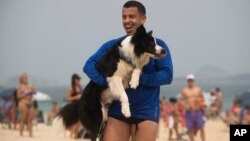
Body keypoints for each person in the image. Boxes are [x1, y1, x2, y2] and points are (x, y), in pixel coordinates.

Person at [83, 1, 173, 141]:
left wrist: (140, 78)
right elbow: (88, 65)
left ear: (143, 19)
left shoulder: (156, 45)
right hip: (117, 111)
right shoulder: (113, 45)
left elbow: (167, 75)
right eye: (124, 17)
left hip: (146, 112)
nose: (127, 21)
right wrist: (106, 81)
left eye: (132, 16)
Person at [179, 74, 205, 141]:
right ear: (187, 81)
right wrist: (186, 106)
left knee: (201, 128)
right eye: (189, 80)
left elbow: (202, 99)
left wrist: (200, 103)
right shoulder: (184, 90)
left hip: (197, 111)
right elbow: (180, 100)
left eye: (191, 80)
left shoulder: (198, 89)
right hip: (189, 111)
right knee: (190, 129)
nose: (190, 82)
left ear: (194, 81)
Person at [66, 73, 82, 139]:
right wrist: (76, 97)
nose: (79, 80)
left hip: (80, 105)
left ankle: (75, 136)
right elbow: (67, 98)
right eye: (78, 79)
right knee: (78, 121)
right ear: (74, 80)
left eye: (79, 79)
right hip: (74, 106)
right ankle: (72, 135)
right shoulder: (71, 88)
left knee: (79, 121)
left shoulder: (80, 87)